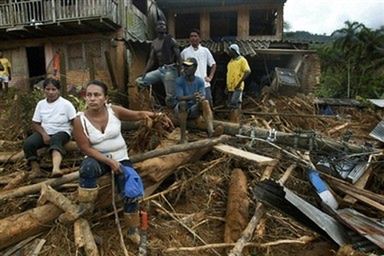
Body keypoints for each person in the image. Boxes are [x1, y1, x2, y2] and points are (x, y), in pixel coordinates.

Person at [72, 80, 173, 245]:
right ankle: (85, 215)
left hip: (121, 158)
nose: (92, 98)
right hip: (97, 159)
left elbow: (138, 114)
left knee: (131, 188)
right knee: (87, 168)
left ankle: (132, 230)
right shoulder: (79, 120)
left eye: (97, 95)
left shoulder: (114, 111)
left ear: (105, 98)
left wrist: (159, 116)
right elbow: (85, 148)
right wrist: (108, 161)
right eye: (89, 95)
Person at [23, 78, 77, 178]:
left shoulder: (66, 104)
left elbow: (74, 121)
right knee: (28, 143)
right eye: (48, 89)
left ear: (58, 90)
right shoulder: (41, 104)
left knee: (56, 140)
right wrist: (44, 134)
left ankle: (56, 168)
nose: (50, 92)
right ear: (44, 90)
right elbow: (35, 123)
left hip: (62, 131)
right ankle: (36, 169)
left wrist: (76, 135)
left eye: (53, 89)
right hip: (45, 131)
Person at [136, 20, 181, 108]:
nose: (161, 26)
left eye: (163, 25)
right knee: (139, 81)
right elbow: (151, 59)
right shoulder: (154, 42)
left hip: (170, 69)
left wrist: (180, 72)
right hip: (160, 70)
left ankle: (175, 113)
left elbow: (179, 57)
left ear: (166, 28)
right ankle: (151, 103)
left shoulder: (171, 40)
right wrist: (144, 71)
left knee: (170, 98)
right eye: (159, 25)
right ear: (156, 28)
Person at [174, 58, 214, 143]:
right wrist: (192, 97)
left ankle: (211, 131)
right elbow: (179, 97)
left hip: (193, 109)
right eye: (185, 66)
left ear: (195, 68)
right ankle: (183, 137)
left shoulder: (200, 81)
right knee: (183, 104)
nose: (186, 68)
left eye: (188, 66)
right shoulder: (179, 81)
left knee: (205, 102)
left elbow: (202, 95)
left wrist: (200, 98)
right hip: (181, 110)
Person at [180, 29, 216, 107]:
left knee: (208, 105)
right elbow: (181, 67)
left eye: (195, 36)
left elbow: (213, 64)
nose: (193, 38)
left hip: (204, 84)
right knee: (192, 107)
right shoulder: (184, 52)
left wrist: (210, 77)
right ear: (189, 39)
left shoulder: (205, 51)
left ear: (199, 38)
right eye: (191, 36)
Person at [226, 44, 251, 123]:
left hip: (238, 87)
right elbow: (228, 74)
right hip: (230, 87)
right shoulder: (230, 62)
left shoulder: (242, 60)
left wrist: (240, 82)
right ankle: (233, 120)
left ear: (234, 51)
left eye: (230, 51)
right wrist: (226, 86)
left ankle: (236, 121)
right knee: (231, 104)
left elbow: (247, 71)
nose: (228, 53)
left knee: (234, 103)